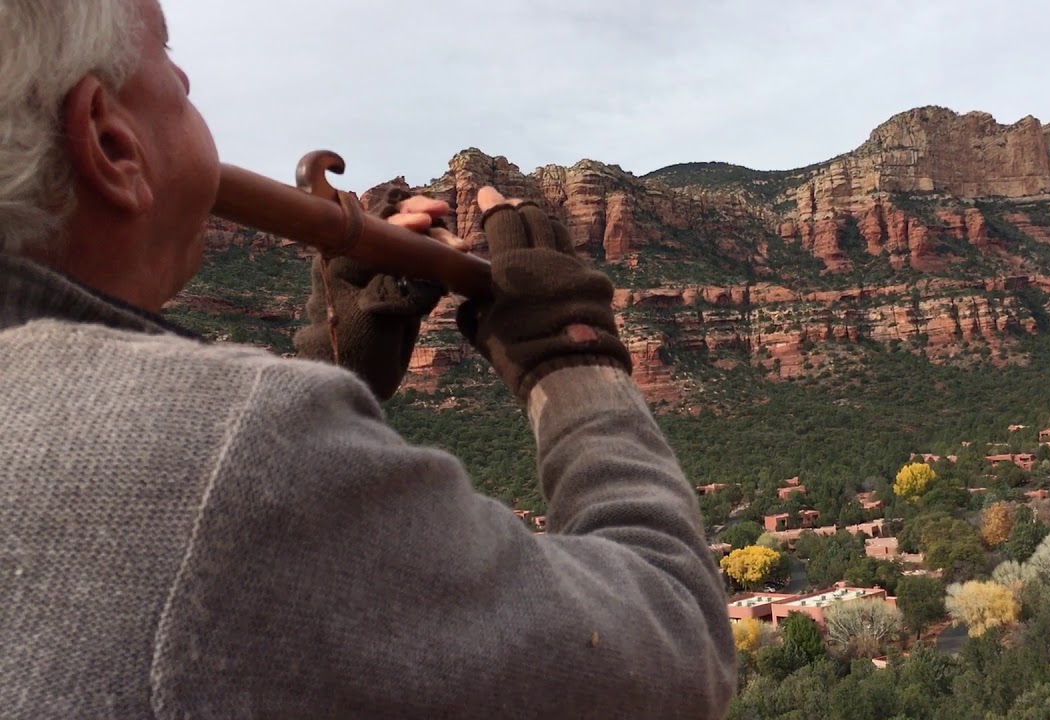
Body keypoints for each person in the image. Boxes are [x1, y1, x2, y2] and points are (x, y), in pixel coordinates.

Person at [0, 1, 736, 717]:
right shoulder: (240, 444)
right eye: (164, 50)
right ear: (111, 144)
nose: (186, 81)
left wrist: (334, 370)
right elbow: (674, 646)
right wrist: (570, 354)